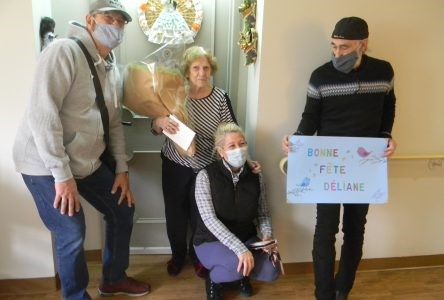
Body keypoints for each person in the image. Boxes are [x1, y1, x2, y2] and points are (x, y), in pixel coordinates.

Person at [12, 0, 150, 299]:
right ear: (90, 21)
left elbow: (114, 124)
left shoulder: (112, 67)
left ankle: (113, 279)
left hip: (85, 161)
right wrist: (62, 177)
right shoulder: (63, 51)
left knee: (122, 209)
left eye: (121, 21)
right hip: (44, 164)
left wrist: (122, 170)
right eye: (108, 18)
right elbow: (42, 115)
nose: (115, 26)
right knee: (71, 230)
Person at [282, 17, 397, 300]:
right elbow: (310, 117)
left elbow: (389, 107)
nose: (337, 54)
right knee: (325, 230)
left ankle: (343, 288)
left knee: (355, 229)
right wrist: (295, 139)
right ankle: (323, 294)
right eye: (334, 46)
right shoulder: (320, 76)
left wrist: (386, 137)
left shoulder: (384, 71)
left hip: (365, 165)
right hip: (328, 165)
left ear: (363, 44)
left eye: (344, 47)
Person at [150, 46, 259, 278]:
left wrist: (247, 161)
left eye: (206, 67)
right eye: (196, 67)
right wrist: (159, 121)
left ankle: (198, 257)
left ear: (212, 70)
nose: (201, 72)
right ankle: (177, 256)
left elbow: (232, 133)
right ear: (187, 71)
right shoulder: (175, 93)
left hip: (207, 169)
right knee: (175, 215)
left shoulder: (220, 97)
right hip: (175, 165)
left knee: (202, 216)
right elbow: (155, 128)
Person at [194, 123, 280, 300]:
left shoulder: (256, 175)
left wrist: (266, 235)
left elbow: (262, 213)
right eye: (232, 146)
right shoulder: (205, 176)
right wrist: (240, 249)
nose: (238, 149)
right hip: (210, 240)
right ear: (220, 151)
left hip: (246, 237)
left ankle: (241, 274)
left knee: (272, 269)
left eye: (242, 144)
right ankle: (214, 280)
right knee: (235, 265)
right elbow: (210, 220)